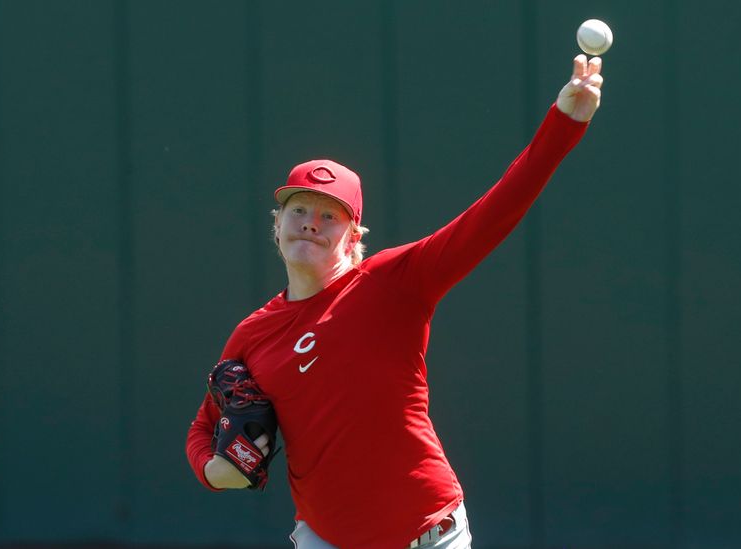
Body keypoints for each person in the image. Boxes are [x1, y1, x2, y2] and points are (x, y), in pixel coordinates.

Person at [186, 54, 604, 549]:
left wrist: (565, 123)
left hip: (428, 533)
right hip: (327, 538)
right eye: (298, 209)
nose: (310, 223)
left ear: (354, 235)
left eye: (329, 215)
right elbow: (203, 427)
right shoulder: (254, 333)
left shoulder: (392, 282)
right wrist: (214, 472)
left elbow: (496, 212)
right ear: (276, 226)